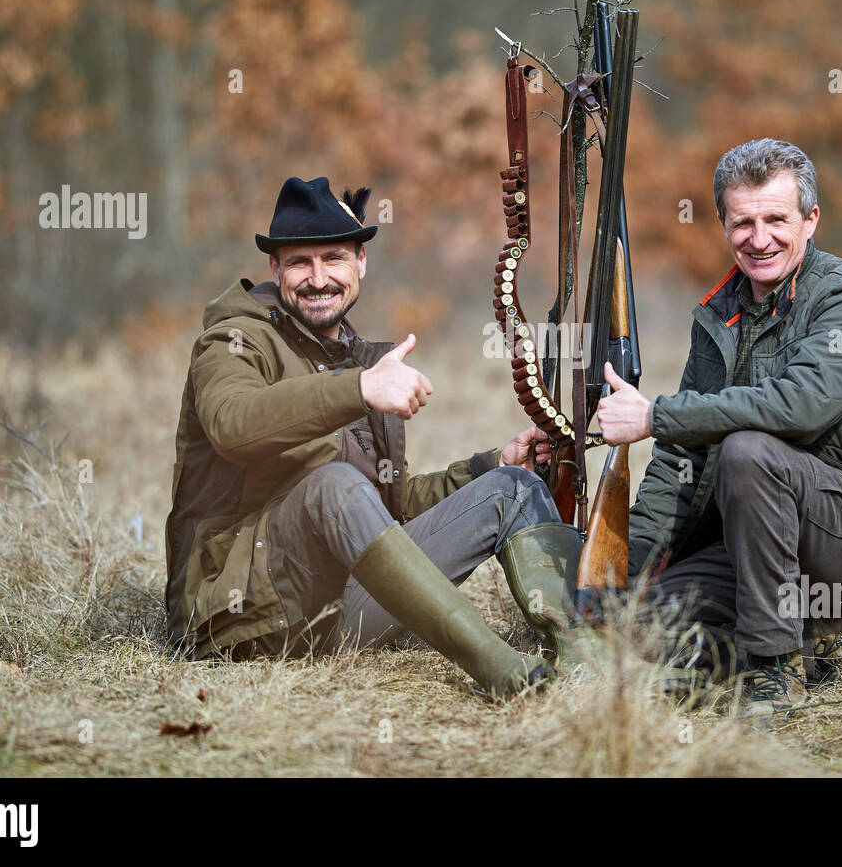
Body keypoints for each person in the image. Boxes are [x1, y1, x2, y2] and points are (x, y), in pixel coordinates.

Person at [163, 175, 562, 697]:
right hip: (239, 611)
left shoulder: (357, 356)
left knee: (513, 488)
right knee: (333, 486)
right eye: (300, 263)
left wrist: (486, 467)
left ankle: (587, 656)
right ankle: (506, 673)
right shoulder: (235, 338)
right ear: (274, 268)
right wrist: (357, 387)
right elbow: (232, 425)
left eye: (334, 259)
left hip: (336, 607)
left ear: (361, 264)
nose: (318, 277)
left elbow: (381, 511)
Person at [595, 138, 842, 715]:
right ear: (724, 225)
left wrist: (654, 415)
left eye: (777, 218)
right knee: (636, 629)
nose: (759, 238)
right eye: (742, 222)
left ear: (811, 219)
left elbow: (799, 407)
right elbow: (682, 460)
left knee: (747, 452)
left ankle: (772, 672)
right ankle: (814, 636)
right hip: (753, 540)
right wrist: (631, 566)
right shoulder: (718, 312)